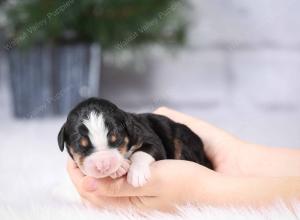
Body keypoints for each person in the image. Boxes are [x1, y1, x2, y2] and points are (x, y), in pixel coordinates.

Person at [67, 107, 300, 212]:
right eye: (85, 150)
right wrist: (236, 155)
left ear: (126, 131)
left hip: (180, 142)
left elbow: (153, 146)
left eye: (115, 143)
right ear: (65, 143)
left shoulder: (138, 133)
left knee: (180, 142)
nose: (102, 161)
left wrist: (201, 189)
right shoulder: (122, 132)